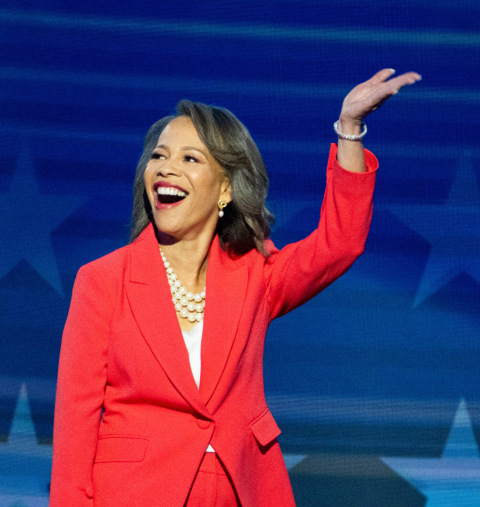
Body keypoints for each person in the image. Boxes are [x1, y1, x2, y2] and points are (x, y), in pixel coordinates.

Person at [50, 69, 421, 506]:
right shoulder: (102, 280)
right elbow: (75, 423)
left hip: (241, 489)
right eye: (159, 156)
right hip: (136, 492)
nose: (166, 168)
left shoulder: (254, 274)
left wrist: (350, 130)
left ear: (225, 187)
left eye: (190, 159)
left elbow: (339, 243)